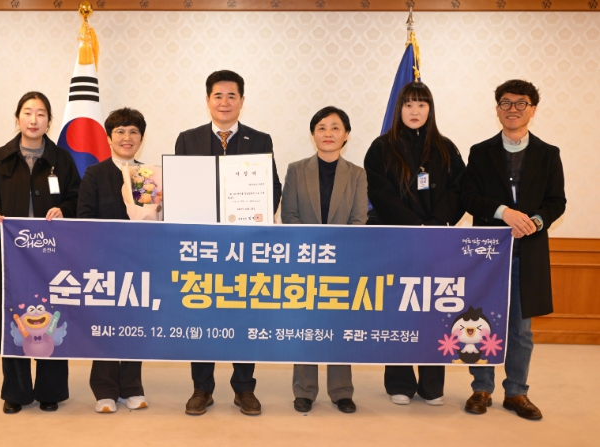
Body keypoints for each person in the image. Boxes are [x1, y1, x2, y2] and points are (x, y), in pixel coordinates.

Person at [174, 69, 281, 416]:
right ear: (208, 100)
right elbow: (179, 188)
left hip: (244, 246)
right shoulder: (187, 140)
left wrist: (255, 214)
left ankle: (244, 388)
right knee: (201, 313)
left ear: (242, 101)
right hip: (202, 246)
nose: (224, 102)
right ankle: (202, 388)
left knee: (244, 315)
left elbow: (272, 187)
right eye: (218, 96)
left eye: (231, 96)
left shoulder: (260, 140)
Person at [461, 79, 565, 420]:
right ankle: (481, 388)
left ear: (532, 110)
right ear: (497, 109)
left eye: (521, 103)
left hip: (528, 251)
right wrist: (503, 212)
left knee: (521, 328)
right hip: (488, 253)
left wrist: (534, 221)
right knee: (481, 322)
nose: (513, 109)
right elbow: (469, 197)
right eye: (506, 103)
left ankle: (516, 392)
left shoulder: (548, 154)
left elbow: (556, 201)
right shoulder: (480, 152)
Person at [0, 91, 81, 414]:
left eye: (41, 114)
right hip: (13, 256)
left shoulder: (62, 159)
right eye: (28, 113)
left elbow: (76, 199)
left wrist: (65, 211)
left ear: (49, 121)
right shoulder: (1, 158)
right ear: (17, 117)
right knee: (14, 316)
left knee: (52, 316)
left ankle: (51, 390)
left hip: (52, 255)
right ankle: (16, 392)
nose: (34, 120)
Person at [364, 81, 466, 407]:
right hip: (396, 240)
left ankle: (432, 387)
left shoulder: (446, 148)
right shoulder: (381, 147)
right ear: (399, 109)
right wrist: (412, 224)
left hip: (436, 242)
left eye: (422, 104)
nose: (415, 111)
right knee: (399, 312)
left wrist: (433, 225)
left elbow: (458, 190)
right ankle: (400, 382)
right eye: (408, 104)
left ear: (430, 110)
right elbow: (379, 192)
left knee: (434, 312)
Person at [281, 106, 367, 414]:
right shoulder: (296, 169)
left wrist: (336, 252)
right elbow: (289, 214)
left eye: (335, 127)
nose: (328, 133)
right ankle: (304, 390)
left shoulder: (357, 174)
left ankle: (341, 391)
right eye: (321, 127)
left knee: (339, 324)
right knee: (306, 324)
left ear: (346, 135)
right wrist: (310, 248)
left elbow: (359, 219)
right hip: (304, 259)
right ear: (313, 134)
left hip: (342, 262)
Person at [77, 108, 159, 413]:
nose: (127, 137)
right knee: (106, 325)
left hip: (140, 261)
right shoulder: (95, 174)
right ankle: (105, 390)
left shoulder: (148, 175)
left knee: (135, 324)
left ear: (141, 138)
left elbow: (155, 219)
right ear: (109, 138)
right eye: (120, 132)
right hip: (104, 261)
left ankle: (132, 387)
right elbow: (84, 218)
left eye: (134, 132)